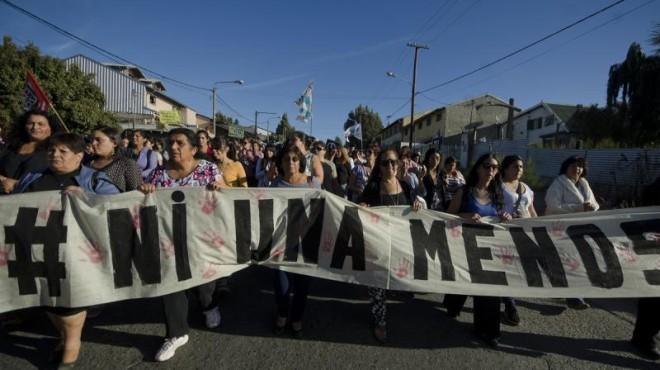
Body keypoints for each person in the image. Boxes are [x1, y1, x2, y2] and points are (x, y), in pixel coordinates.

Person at [13, 132, 119, 367]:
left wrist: (87, 197)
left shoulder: (95, 180)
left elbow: (117, 204)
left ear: (79, 156)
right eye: (52, 150)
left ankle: (71, 347)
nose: (55, 155)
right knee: (46, 298)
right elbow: (13, 204)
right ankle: (64, 338)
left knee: (71, 300)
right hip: (38, 250)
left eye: (63, 151)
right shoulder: (32, 176)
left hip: (77, 253)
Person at [138, 128, 224, 362]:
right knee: (171, 283)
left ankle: (209, 305)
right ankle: (176, 333)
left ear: (194, 149)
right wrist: (146, 191)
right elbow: (144, 198)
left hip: (202, 237)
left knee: (204, 283)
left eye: (179, 143)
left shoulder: (209, 170)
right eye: (170, 143)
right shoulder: (157, 174)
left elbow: (227, 200)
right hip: (168, 239)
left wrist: (220, 191)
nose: (173, 147)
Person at [443, 153, 511, 348]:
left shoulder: (498, 193)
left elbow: (499, 216)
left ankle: (488, 331)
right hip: (465, 246)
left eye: (495, 167)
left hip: (489, 249)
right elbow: (447, 216)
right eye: (487, 166)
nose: (491, 170)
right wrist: (466, 216)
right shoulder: (464, 192)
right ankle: (453, 303)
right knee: (464, 280)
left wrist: (505, 216)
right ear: (478, 168)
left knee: (489, 289)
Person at [359, 149, 422, 343]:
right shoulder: (374, 186)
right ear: (380, 166)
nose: (390, 166)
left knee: (393, 281)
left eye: (393, 162)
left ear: (399, 164)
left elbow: (415, 207)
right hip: (378, 244)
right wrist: (362, 206)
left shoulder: (405, 185)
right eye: (385, 163)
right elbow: (359, 204)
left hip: (399, 244)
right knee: (377, 285)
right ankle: (380, 321)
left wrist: (417, 205)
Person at [270, 144, 321, 339]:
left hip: (305, 242)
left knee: (302, 285)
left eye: (294, 159)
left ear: (300, 162)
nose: (290, 162)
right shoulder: (275, 185)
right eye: (286, 159)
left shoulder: (312, 183)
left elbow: (322, 208)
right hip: (281, 242)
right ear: (280, 163)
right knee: (281, 285)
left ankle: (297, 318)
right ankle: (282, 315)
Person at [545, 155, 599, 310]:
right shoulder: (558, 183)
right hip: (560, 230)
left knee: (578, 262)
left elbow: (594, 203)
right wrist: (579, 208)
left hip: (581, 229)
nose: (577, 169)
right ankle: (574, 297)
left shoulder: (584, 183)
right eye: (573, 166)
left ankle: (573, 294)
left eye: (580, 166)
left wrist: (591, 207)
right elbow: (553, 205)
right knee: (568, 262)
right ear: (566, 167)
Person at [498, 155, 539, 326]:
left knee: (517, 270)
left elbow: (532, 210)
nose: (519, 169)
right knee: (506, 270)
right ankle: (510, 305)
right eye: (515, 166)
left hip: (524, 235)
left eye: (521, 167)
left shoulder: (526, 188)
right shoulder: (498, 186)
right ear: (506, 168)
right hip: (504, 234)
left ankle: (507, 300)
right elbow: (492, 206)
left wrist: (539, 228)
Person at [630, 175, 660, 360]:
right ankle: (643, 339)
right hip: (654, 250)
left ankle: (642, 337)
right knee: (653, 298)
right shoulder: (655, 188)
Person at [0, 109, 58, 194]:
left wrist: (17, 184)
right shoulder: (11, 147)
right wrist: (4, 180)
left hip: (29, 199)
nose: (35, 127)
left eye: (40, 124)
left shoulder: (54, 151)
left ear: (51, 128)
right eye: (31, 123)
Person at [88, 126, 142, 192]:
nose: (93, 143)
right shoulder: (86, 164)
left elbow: (137, 194)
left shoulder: (126, 164)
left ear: (114, 143)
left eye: (98, 140)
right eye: (91, 140)